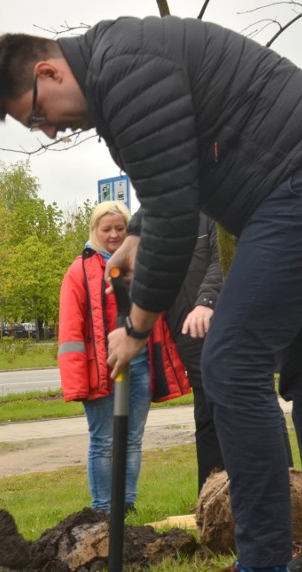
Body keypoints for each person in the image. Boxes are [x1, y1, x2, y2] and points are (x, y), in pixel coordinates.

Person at [0, 15, 302, 572]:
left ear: (48, 71)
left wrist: (137, 327)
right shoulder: (121, 64)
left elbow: (175, 211)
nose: (50, 131)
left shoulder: (122, 68)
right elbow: (172, 174)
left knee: (230, 364)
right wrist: (138, 230)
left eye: (38, 115)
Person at [57, 200, 188, 513]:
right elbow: (71, 331)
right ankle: (103, 508)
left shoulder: (140, 266)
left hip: (140, 366)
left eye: (120, 228)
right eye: (107, 229)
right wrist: (77, 380)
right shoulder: (80, 271)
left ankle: (126, 505)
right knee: (104, 441)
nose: (114, 235)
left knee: (132, 439)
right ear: (95, 230)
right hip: (101, 371)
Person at [167, 214, 225, 494]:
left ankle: (279, 493)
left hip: (221, 323)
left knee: (241, 409)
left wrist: (207, 301)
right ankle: (211, 498)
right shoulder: (163, 216)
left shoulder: (212, 213)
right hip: (188, 333)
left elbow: (222, 260)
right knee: (205, 418)